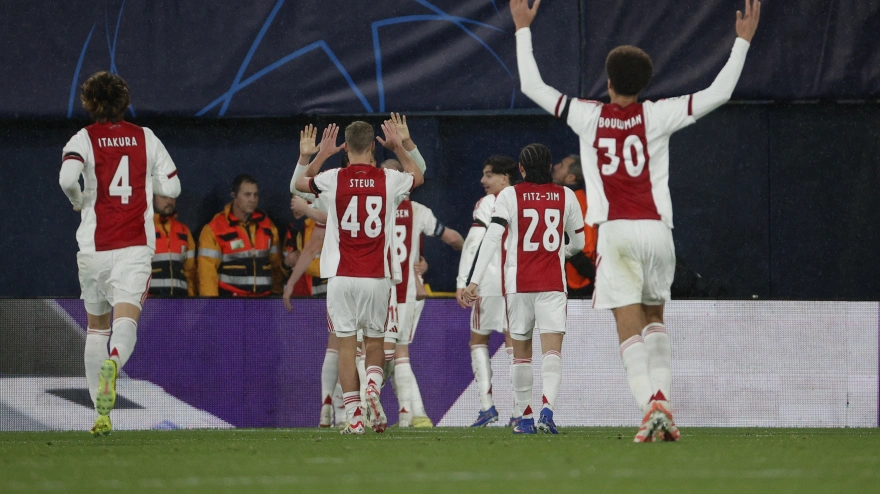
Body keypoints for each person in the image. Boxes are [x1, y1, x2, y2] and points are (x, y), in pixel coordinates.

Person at [511, 0, 761, 441]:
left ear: (608, 83)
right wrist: (741, 43)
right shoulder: (656, 114)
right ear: (645, 83)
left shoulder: (588, 115)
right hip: (658, 233)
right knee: (655, 320)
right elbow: (719, 93)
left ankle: (650, 404)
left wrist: (522, 29)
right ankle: (662, 400)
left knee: (628, 326)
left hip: (617, 233)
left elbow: (532, 85)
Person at [58, 71, 181, 436]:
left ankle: (100, 415)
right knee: (126, 323)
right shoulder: (146, 137)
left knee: (97, 328)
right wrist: (148, 183)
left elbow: (67, 180)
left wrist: (80, 200)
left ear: (90, 103)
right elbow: (172, 186)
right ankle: (115, 361)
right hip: (133, 248)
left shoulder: (83, 138)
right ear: (124, 101)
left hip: (94, 248)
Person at [294, 121, 425, 435]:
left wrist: (319, 155)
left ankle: (353, 417)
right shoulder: (389, 179)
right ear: (372, 147)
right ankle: (372, 387)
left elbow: (299, 183)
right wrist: (400, 148)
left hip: (340, 275)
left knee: (345, 346)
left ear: (346, 147)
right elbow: (418, 175)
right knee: (376, 342)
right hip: (375, 276)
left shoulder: (333, 178)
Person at [464, 143, 585, 434]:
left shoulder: (510, 195)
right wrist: (560, 252)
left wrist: (474, 281)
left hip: (519, 285)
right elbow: (578, 244)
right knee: (552, 352)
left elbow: (492, 238)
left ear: (520, 169)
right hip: (553, 285)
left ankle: (526, 417)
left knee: (521, 354)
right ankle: (547, 411)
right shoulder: (566, 196)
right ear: (549, 167)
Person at [381, 157, 464, 428]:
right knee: (394, 352)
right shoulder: (417, 210)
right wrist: (468, 248)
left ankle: (406, 415)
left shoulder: (371, 209)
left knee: (380, 352)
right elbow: (451, 238)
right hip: (409, 292)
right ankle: (414, 415)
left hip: (381, 291)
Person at [456, 155, 520, 427]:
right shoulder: (525, 200)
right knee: (516, 347)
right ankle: (520, 412)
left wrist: (463, 281)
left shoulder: (488, 203)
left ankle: (487, 406)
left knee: (478, 341)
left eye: (489, 174)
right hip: (519, 284)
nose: (483, 180)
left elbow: (473, 243)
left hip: (491, 283)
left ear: (505, 178)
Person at [198, 175, 283, 297]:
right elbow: (207, 274)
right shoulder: (214, 229)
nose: (253, 200)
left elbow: (276, 266)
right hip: (231, 303)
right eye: (247, 195)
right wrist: (211, 306)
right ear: (234, 196)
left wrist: (277, 294)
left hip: (264, 302)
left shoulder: (268, 226)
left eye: (256, 195)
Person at [552, 155, 598, 297]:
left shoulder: (575, 203)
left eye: (562, 165)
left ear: (571, 178)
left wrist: (594, 279)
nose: (555, 167)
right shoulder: (573, 200)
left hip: (577, 287)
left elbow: (584, 250)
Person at [150, 194, 197, 296]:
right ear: (152, 197)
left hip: (179, 303)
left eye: (172, 197)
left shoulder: (183, 231)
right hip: (150, 305)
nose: (169, 201)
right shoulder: (142, 229)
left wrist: (192, 300)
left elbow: (191, 272)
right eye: (164, 197)